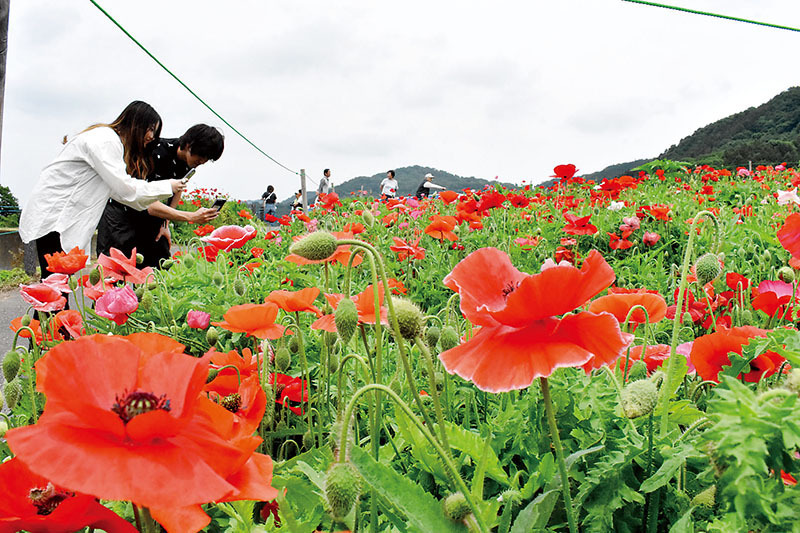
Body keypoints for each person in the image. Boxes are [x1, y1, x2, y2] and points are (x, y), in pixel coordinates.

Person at [19, 101, 186, 276]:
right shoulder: (105, 141)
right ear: (135, 123)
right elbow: (125, 190)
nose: (152, 136)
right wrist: (169, 185)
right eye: (150, 128)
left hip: (58, 215)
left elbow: (120, 193)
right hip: (55, 217)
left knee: (57, 282)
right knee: (55, 284)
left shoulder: (107, 140)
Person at [96, 124, 224, 267]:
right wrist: (191, 216)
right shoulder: (156, 152)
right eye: (202, 155)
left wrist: (165, 224)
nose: (203, 161)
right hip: (120, 214)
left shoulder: (188, 162)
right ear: (189, 144)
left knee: (158, 268)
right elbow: (148, 202)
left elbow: (178, 188)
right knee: (114, 272)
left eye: (208, 158)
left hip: (147, 216)